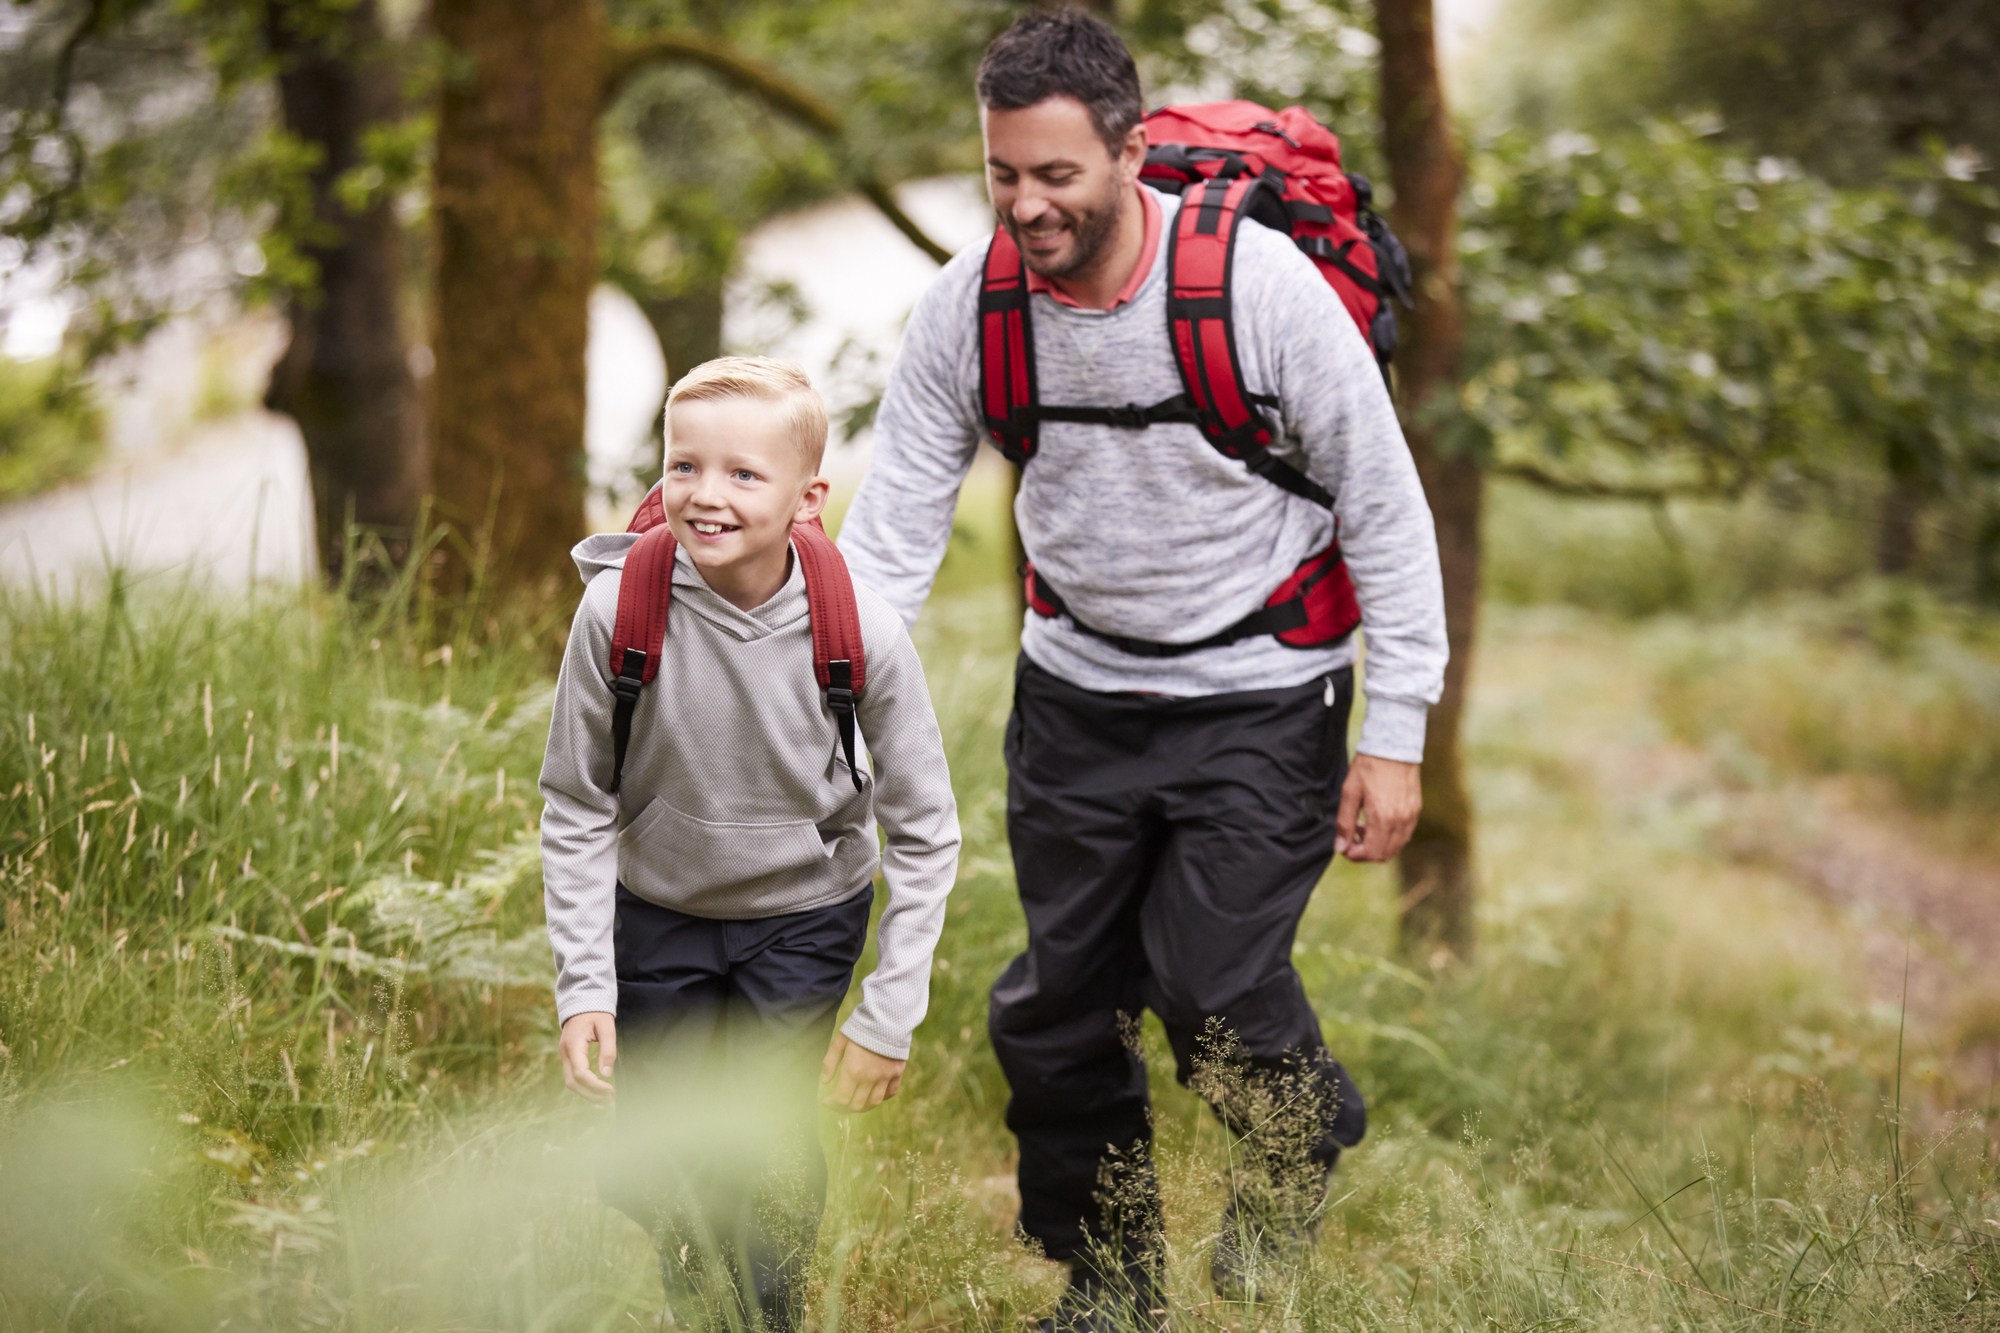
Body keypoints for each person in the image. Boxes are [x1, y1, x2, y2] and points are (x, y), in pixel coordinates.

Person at [836, 12, 1447, 1329]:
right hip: (1076, 697)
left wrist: (1393, 735)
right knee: (1055, 1012)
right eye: (1004, 175)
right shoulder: (974, 301)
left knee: (1215, 984)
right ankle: (1111, 1283)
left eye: (1057, 176)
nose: (1027, 205)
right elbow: (891, 528)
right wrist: (828, 692)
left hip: (1263, 692)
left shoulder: (1258, 288)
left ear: (1127, 151)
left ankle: (1292, 1151)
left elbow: (1387, 511)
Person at [538, 357, 962, 1330]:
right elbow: (574, 804)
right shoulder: (615, 614)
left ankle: (768, 1315)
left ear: (808, 498)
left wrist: (888, 1012)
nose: (705, 495)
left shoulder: (861, 629)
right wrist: (585, 985)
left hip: (803, 915)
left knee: (764, 1139)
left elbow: (926, 831)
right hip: (658, 910)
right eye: (683, 466)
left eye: (742, 474)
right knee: (668, 1150)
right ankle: (700, 1302)